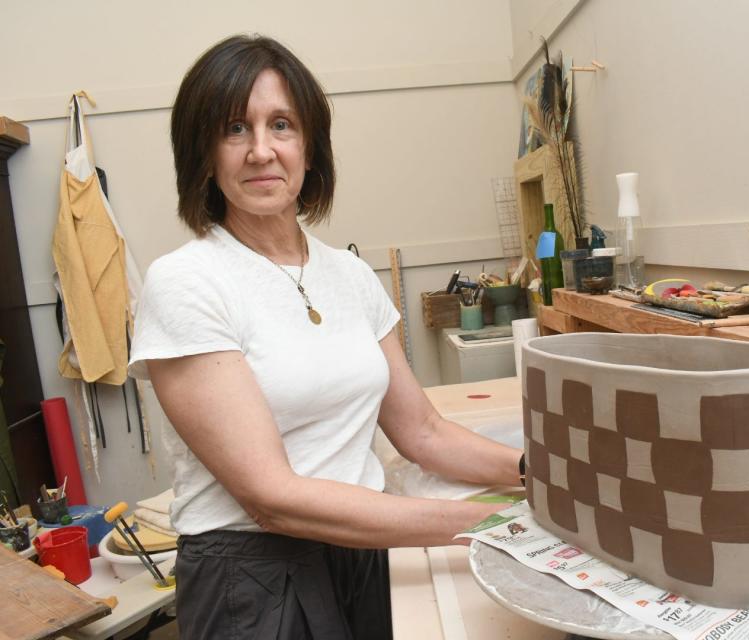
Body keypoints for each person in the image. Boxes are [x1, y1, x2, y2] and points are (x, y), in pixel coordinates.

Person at [129, 34, 523, 639]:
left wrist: (537, 474)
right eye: (236, 128)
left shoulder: (350, 275)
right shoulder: (186, 281)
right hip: (253, 577)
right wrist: (497, 521)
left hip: (362, 551)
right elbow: (272, 497)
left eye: (281, 125)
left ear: (310, 148)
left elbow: (422, 432)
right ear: (204, 153)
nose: (261, 151)